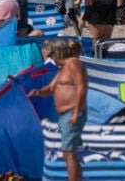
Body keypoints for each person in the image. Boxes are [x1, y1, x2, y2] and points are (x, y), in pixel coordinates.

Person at [29, 39, 88, 181]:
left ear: (57, 53)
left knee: (68, 153)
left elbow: (80, 88)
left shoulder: (73, 64)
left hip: (71, 113)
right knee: (70, 153)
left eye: (51, 55)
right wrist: (36, 92)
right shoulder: (63, 69)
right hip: (66, 115)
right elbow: (50, 88)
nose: (50, 58)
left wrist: (75, 113)